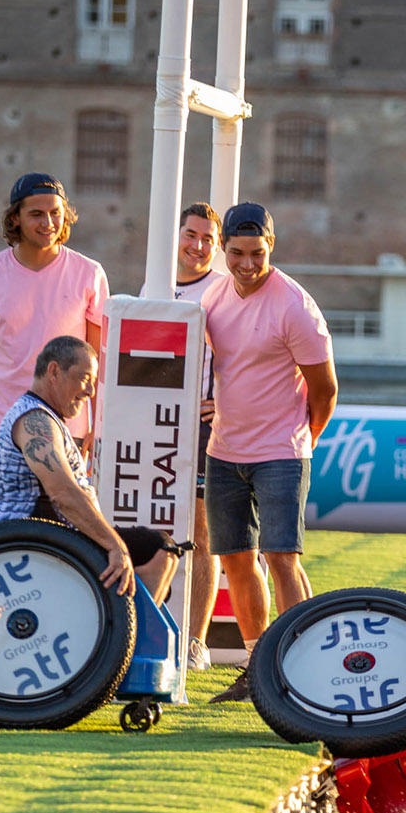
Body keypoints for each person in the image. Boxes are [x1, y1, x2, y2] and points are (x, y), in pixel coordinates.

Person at [200, 202, 338, 702]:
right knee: (236, 559)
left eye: (257, 253)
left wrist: (307, 436)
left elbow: (326, 389)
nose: (247, 264)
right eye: (236, 253)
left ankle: (304, 666)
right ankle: (258, 667)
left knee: (281, 556)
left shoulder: (295, 306)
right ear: (223, 250)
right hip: (224, 450)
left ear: (271, 248)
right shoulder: (215, 295)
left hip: (282, 449)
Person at [0, 172, 110, 514]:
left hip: (67, 428)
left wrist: (98, 428)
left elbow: (101, 360)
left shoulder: (89, 274)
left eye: (55, 213)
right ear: (16, 219)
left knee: (66, 530)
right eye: (36, 214)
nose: (48, 222)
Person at [0, 335, 176, 603]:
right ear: (54, 371)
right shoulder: (35, 421)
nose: (90, 392)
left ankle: (127, 631)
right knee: (157, 548)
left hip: (52, 537)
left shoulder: (45, 417)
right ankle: (127, 639)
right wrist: (114, 545)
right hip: (34, 544)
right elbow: (62, 494)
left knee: (162, 549)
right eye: (85, 379)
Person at [174, 202, 223, 672]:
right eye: (192, 235)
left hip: (207, 429)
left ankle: (194, 641)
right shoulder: (154, 284)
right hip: (155, 422)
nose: (198, 246)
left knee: (202, 535)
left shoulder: (223, 291)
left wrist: (225, 402)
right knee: (148, 527)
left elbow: (246, 355)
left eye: (209, 239)